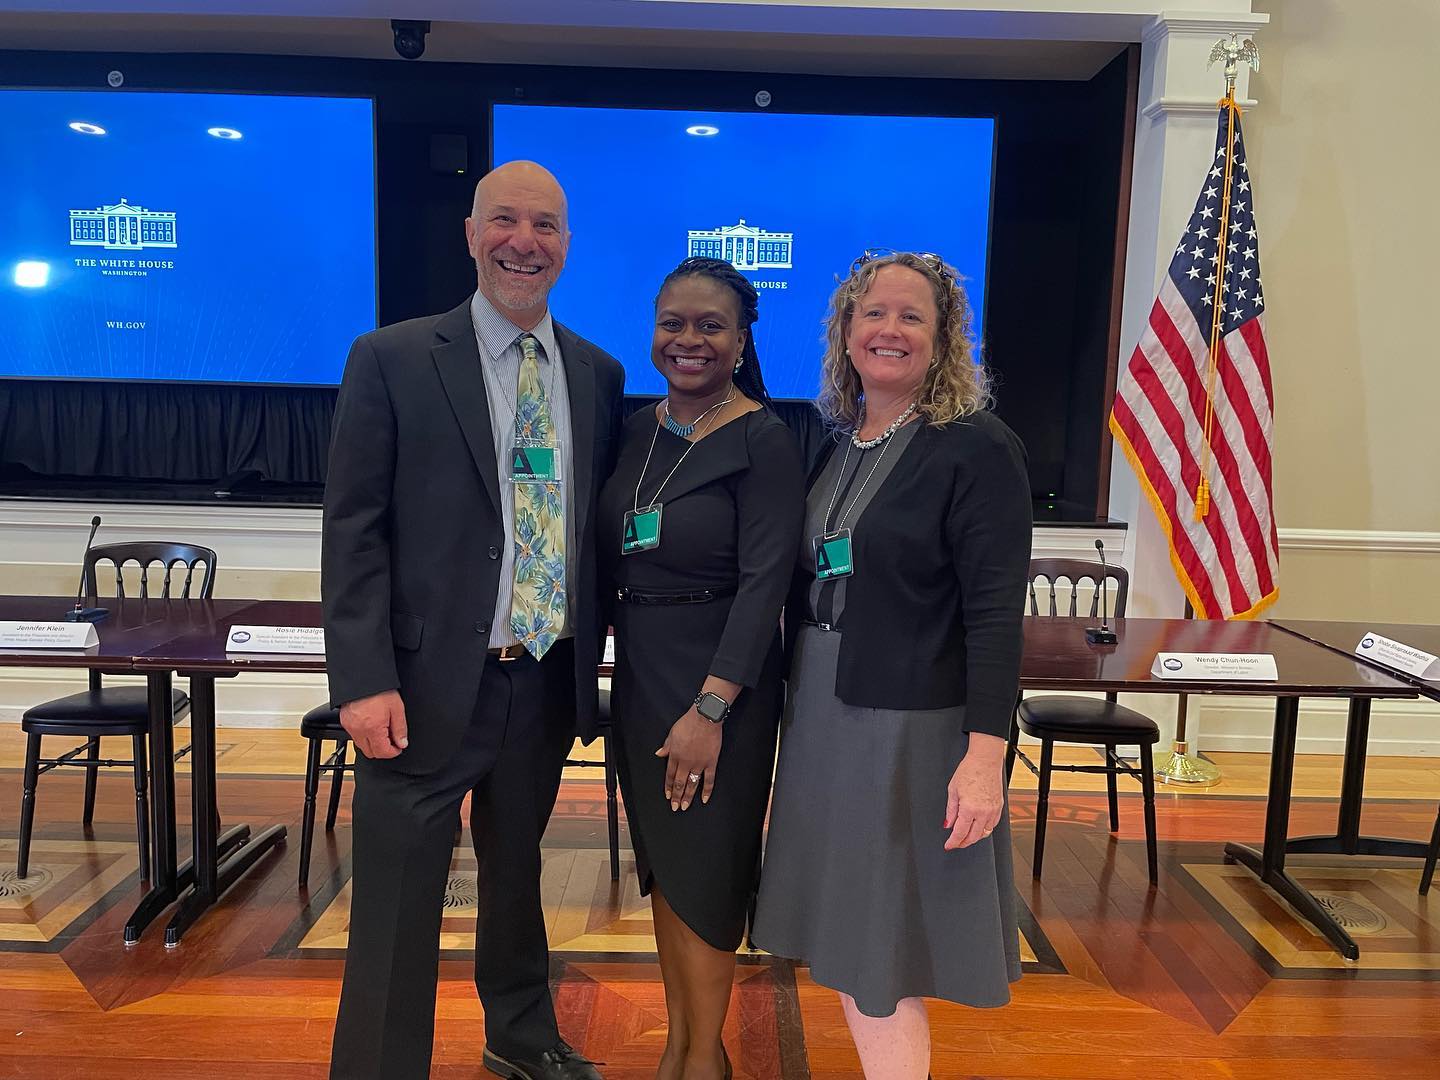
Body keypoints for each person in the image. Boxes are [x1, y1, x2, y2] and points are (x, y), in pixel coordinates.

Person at [322, 160, 625, 1080]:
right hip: (416, 685)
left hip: (541, 675)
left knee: (518, 876)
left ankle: (520, 1033)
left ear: (567, 246)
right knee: (398, 894)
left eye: (544, 226)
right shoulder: (393, 358)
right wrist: (362, 678)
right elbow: (355, 529)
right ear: (469, 233)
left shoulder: (597, 374)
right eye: (504, 221)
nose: (523, 242)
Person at [752, 251, 1031, 1079]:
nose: (889, 330)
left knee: (881, 941)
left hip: (908, 724)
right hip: (826, 711)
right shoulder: (844, 441)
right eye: (873, 313)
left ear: (944, 340)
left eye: (913, 317)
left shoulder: (976, 448)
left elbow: (992, 615)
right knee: (844, 929)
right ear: (845, 331)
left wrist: (987, 759)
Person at [597, 257, 803, 1080]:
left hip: (720, 690)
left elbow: (767, 588)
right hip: (642, 680)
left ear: (743, 339)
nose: (688, 340)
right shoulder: (636, 430)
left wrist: (711, 710)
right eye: (672, 323)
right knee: (668, 872)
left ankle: (703, 1061)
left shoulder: (764, 438)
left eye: (710, 326)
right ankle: (685, 1050)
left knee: (710, 873)